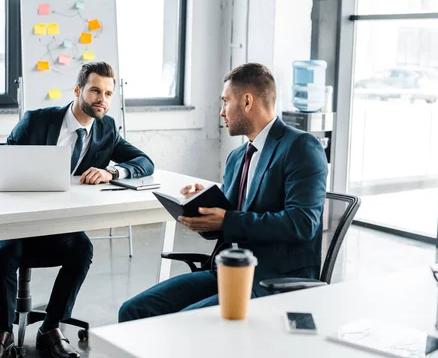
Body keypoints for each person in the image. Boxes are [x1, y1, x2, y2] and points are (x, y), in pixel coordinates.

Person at [118, 63, 327, 322]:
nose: (221, 112)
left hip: (273, 278)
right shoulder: (238, 156)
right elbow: (228, 222)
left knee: (182, 323)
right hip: (226, 271)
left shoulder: (300, 147)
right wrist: (202, 207)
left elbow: (303, 223)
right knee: (134, 310)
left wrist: (226, 219)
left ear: (247, 101)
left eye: (226, 101)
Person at [0, 62, 154, 358]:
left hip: (57, 224)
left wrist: (113, 172)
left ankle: (50, 328)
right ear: (78, 90)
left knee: (82, 249)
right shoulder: (36, 121)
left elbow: (144, 162)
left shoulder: (106, 129)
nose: (103, 99)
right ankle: (3, 332)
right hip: (15, 218)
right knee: (6, 250)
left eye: (109, 93)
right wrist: (14, 176)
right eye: (96, 90)